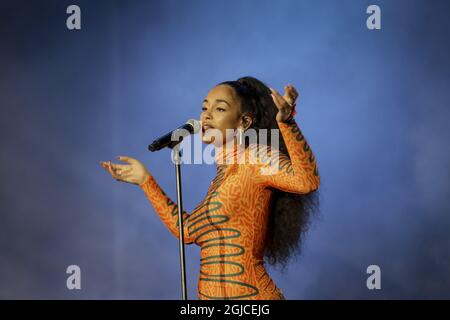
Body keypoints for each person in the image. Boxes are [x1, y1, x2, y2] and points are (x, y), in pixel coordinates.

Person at [100, 76, 320, 299]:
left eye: (220, 109)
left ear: (243, 122)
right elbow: (187, 232)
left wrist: (287, 123)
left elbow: (306, 181)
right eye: (204, 108)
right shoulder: (220, 177)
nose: (206, 115)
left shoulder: (255, 158)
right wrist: (145, 181)